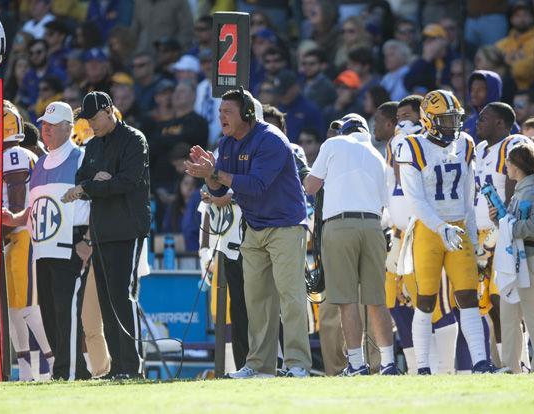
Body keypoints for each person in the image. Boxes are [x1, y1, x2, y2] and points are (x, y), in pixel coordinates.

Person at [185, 88, 311, 379]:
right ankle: (260, 365)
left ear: (247, 114)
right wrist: (208, 174)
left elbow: (255, 185)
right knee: (256, 299)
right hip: (254, 227)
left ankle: (297, 364)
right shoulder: (227, 143)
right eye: (220, 112)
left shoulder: (272, 140)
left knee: (290, 296)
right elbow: (221, 189)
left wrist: (215, 172)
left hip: (285, 225)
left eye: (227, 111)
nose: (221, 117)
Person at [396, 89, 499, 374]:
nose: (453, 126)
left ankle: (480, 361)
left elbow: (468, 197)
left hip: (457, 228)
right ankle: (424, 367)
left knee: (468, 297)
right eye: (445, 119)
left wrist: (469, 233)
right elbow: (415, 200)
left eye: (455, 119)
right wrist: (442, 228)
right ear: (428, 119)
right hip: (430, 229)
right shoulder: (412, 146)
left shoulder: (465, 143)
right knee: (426, 301)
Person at [64, 91, 151, 379]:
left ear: (110, 110)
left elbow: (127, 181)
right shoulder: (92, 145)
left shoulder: (134, 139)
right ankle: (118, 368)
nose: (91, 124)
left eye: (95, 118)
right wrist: (97, 182)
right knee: (107, 299)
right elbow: (81, 182)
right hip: (102, 230)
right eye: (87, 120)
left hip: (128, 228)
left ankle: (133, 367)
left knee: (123, 296)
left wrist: (95, 184)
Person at [3, 101, 91, 381]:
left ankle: (74, 371)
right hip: (43, 247)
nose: (46, 129)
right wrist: (14, 219)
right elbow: (35, 208)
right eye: (44, 124)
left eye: (52, 125)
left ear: (69, 127)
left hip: (71, 242)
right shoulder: (39, 162)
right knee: (50, 311)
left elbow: (97, 201)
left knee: (67, 310)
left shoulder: (81, 157)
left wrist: (88, 239)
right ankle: (62, 371)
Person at [303, 114, 397, 376]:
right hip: (373, 226)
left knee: (346, 301)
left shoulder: (333, 145)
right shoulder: (379, 157)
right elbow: (385, 203)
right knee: (377, 300)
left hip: (340, 225)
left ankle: (356, 364)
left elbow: (311, 186)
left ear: (343, 130)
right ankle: (389, 362)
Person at [474, 102, 533, 370]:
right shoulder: (480, 150)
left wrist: (502, 227)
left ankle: (519, 361)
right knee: (489, 302)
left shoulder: (512, 143)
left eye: (484, 118)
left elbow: (513, 188)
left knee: (506, 296)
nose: (478, 121)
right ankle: (502, 362)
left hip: (504, 229)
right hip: (482, 232)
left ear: (500, 123)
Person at [1, 101, 54, 381]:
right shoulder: (14, 154)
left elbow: (17, 198)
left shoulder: (14, 155)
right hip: (16, 235)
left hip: (21, 234)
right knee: (13, 305)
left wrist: (10, 223)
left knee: (27, 304)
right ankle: (24, 368)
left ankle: (52, 358)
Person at [488, 143, 534, 372]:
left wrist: (509, 228)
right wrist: (499, 221)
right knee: (509, 317)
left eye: (508, 162)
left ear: (517, 165)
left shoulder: (532, 191)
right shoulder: (523, 189)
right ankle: (510, 368)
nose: (506, 167)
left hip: (533, 261)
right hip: (519, 263)